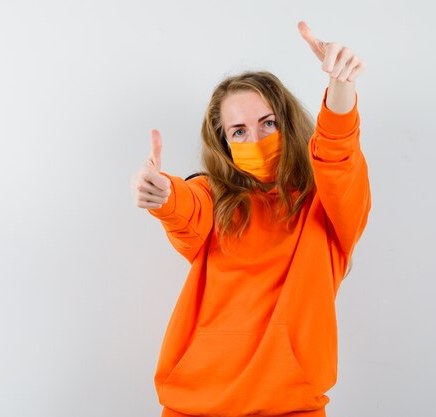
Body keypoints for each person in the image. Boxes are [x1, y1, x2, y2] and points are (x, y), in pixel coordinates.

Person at [131, 21, 371, 417]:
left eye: (268, 123)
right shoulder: (212, 196)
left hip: (292, 406)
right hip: (193, 407)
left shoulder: (328, 207)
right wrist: (165, 195)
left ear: (288, 122)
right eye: (238, 131)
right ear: (223, 143)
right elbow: (187, 208)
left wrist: (341, 85)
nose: (256, 140)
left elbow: (339, 157)